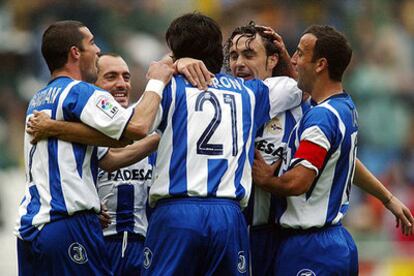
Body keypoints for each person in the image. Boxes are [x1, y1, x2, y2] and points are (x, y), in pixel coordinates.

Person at [141, 13, 302, 275]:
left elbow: (134, 126)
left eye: (249, 55)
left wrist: (167, 66)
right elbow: (298, 86)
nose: (239, 63)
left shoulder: (169, 87)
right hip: (228, 218)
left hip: (177, 212)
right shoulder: (251, 93)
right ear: (219, 50)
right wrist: (284, 55)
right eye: (234, 55)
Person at [15, 20, 172, 275]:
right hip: (68, 224)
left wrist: (55, 127)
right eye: (92, 43)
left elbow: (112, 150)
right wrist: (156, 82)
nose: (97, 50)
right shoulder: (82, 92)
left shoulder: (39, 98)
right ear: (75, 52)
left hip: (33, 225)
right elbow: (138, 127)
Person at [252, 24, 358, 275]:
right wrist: (387, 198)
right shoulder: (344, 107)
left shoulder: (320, 118)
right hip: (336, 242)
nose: (294, 60)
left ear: (320, 64)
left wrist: (267, 181)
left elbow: (299, 181)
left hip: (312, 248)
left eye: (299, 53)